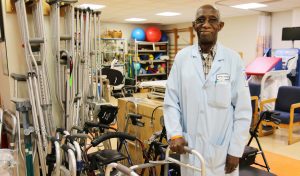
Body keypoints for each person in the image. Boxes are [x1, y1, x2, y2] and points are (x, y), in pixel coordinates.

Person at [164, 4, 252, 176]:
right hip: (191, 148)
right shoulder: (182, 58)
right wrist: (175, 134)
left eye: (212, 20)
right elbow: (171, 100)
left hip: (222, 150)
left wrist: (235, 150)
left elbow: (243, 110)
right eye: (200, 20)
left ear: (220, 26)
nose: (206, 24)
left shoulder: (233, 59)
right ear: (194, 25)